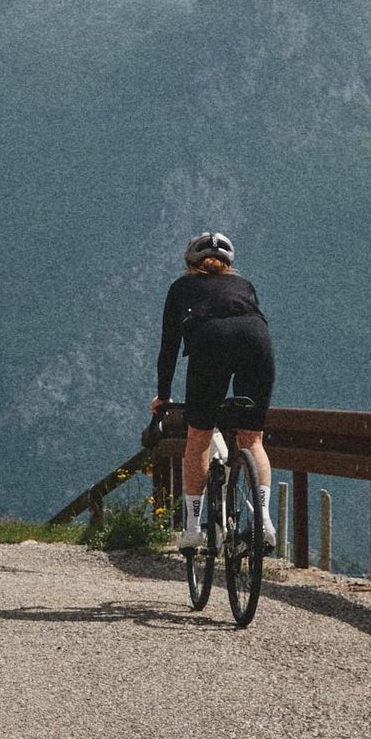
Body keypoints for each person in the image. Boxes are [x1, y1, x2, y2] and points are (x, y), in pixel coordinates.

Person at [151, 230, 276, 552]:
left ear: (190, 264)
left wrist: (163, 396)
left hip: (211, 342)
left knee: (199, 437)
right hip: (257, 342)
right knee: (253, 438)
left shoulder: (181, 287)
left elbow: (169, 346)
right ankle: (262, 520)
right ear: (229, 264)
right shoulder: (244, 285)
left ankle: (193, 529)